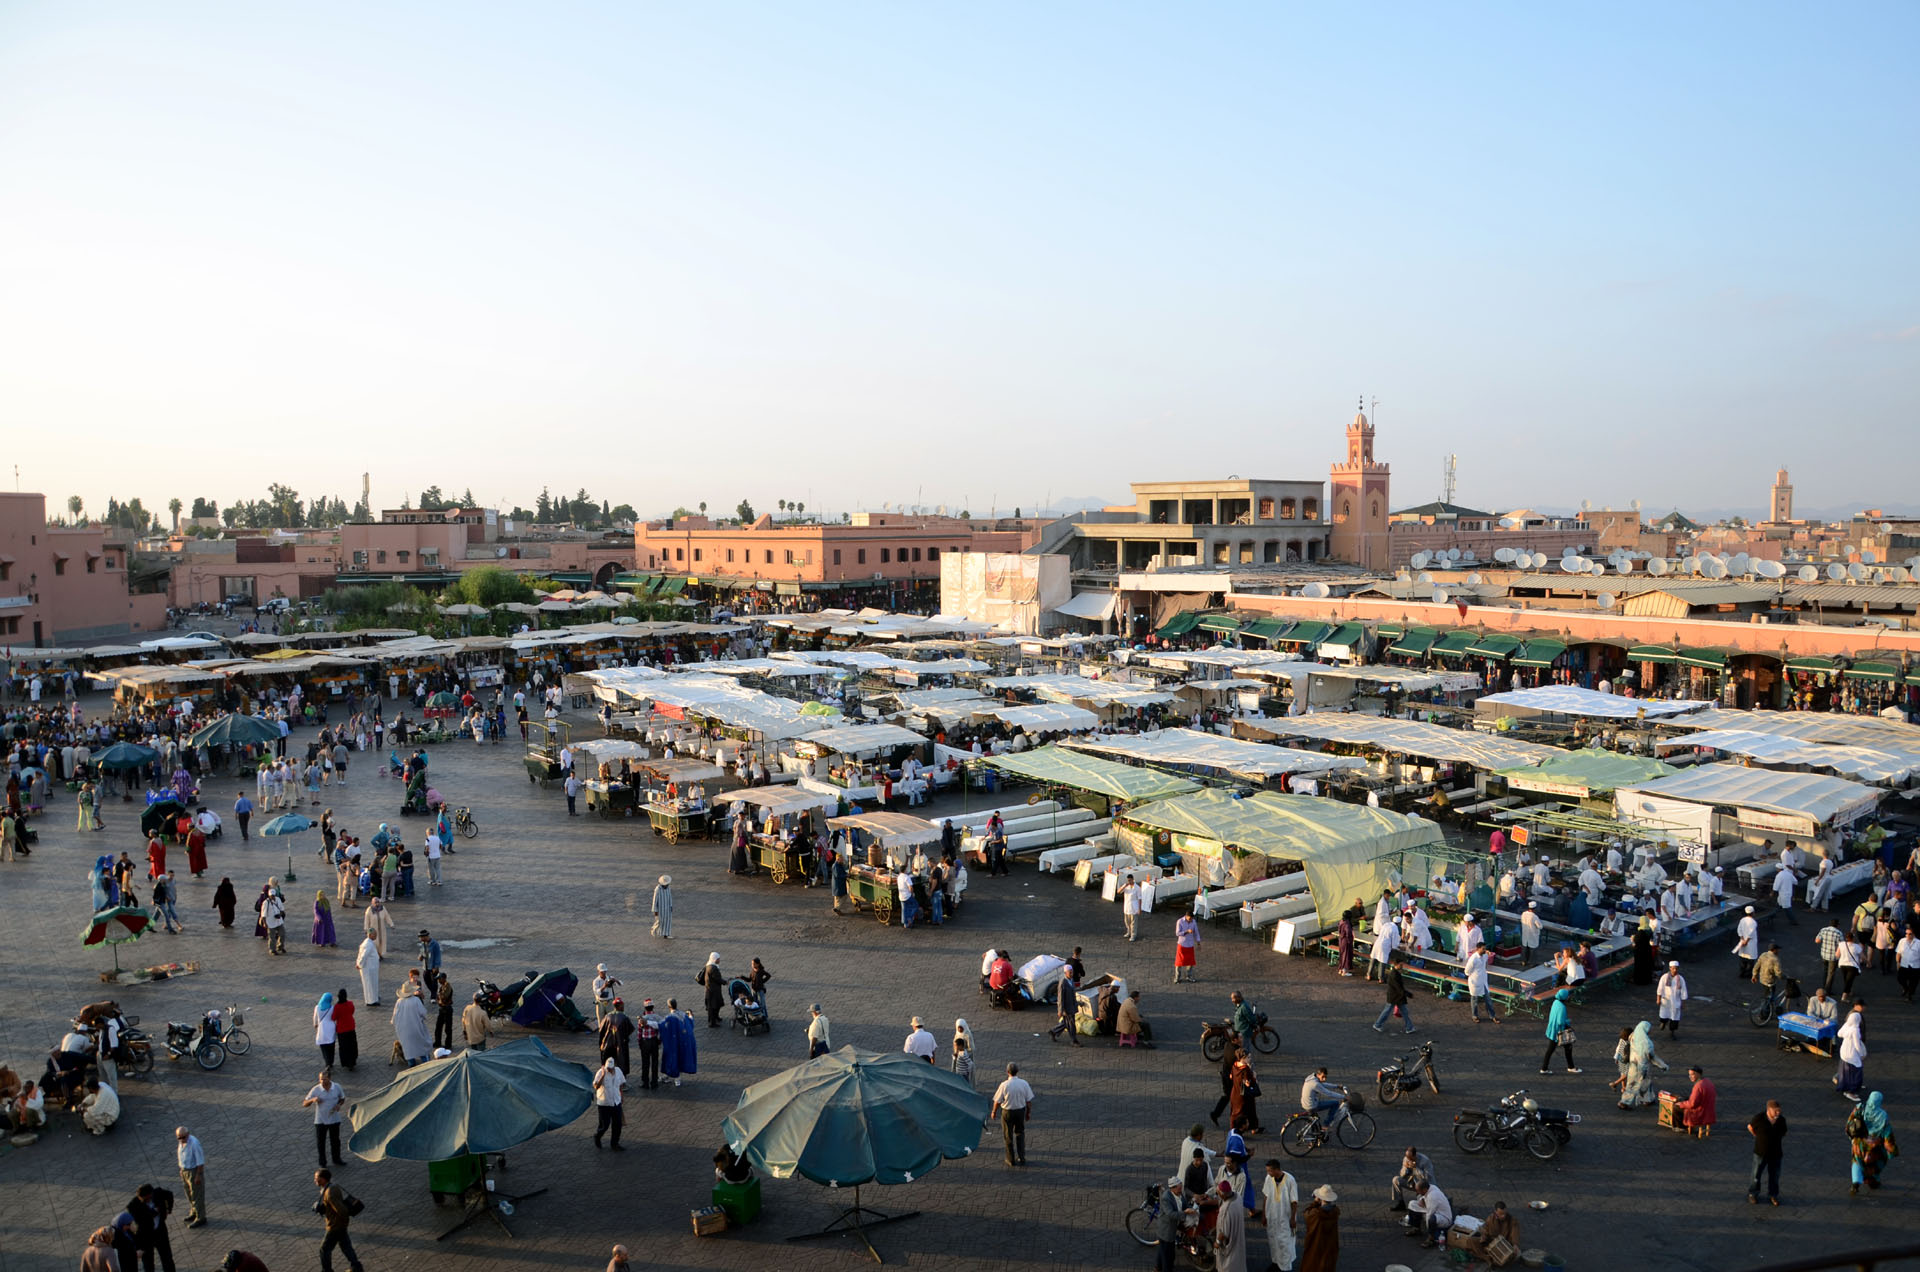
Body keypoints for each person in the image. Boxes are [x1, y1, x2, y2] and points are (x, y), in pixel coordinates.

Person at [1847, 1091, 1897, 1195]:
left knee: (1857, 1160)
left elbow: (1850, 1122)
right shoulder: (1883, 1116)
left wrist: (1852, 1137)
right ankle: (1873, 1182)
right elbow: (1887, 1134)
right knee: (1874, 1165)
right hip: (1874, 1147)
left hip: (1859, 1143)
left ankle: (1856, 1181)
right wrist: (1892, 1150)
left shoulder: (1861, 1107)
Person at [313, 1169, 363, 1272]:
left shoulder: (329, 1192)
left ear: (323, 1179)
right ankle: (356, 1267)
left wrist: (342, 1223)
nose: (315, 1180)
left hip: (335, 1226)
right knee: (346, 1246)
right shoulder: (332, 1187)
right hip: (340, 1225)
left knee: (324, 1249)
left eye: (317, 1178)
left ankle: (327, 1270)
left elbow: (341, 1210)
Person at [990, 1062, 1033, 1166]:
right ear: (1017, 1071)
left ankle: (1010, 1159)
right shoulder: (1024, 1083)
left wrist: (994, 1112)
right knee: (1020, 1133)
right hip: (1020, 1111)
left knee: (1008, 1136)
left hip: (1007, 1112)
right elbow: (1029, 1101)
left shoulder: (1004, 1085)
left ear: (1007, 1072)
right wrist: (1028, 1113)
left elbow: (997, 1101)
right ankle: (1021, 1157)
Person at [1617, 1020, 1667, 1108]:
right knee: (1635, 1085)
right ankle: (1624, 1102)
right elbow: (1652, 1057)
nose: (1650, 1031)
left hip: (1633, 1066)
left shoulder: (1634, 1037)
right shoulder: (1646, 1043)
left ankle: (1648, 1099)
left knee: (1642, 1083)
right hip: (1642, 1067)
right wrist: (1663, 1066)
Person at [1259, 1159, 1298, 1272]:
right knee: (1273, 1240)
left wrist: (1293, 1218)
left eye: (1270, 1171)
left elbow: (1294, 1201)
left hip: (1285, 1218)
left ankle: (1285, 1267)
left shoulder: (1290, 1180)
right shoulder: (1268, 1179)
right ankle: (1276, 1262)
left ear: (1276, 1170)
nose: (1268, 1173)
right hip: (1272, 1216)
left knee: (1285, 1243)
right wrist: (1264, 1214)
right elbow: (1266, 1195)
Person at [1748, 1099, 1789, 1205]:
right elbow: (1750, 1127)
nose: (1778, 1113)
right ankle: (1753, 1193)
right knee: (1756, 1175)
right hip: (1760, 1153)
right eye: (1775, 1111)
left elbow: (1784, 1132)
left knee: (1774, 1176)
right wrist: (1758, 1136)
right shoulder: (1759, 1118)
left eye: (1779, 1111)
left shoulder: (1781, 1120)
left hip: (1776, 1154)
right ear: (1768, 1110)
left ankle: (1773, 1195)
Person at [304, 1070, 347, 1168]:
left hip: (334, 1119)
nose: (322, 1082)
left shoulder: (337, 1087)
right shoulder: (316, 1089)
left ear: (330, 1079)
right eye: (321, 1079)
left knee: (335, 1141)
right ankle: (322, 1162)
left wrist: (338, 1105)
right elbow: (304, 1103)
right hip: (320, 1120)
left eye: (325, 1079)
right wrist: (313, 1100)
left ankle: (337, 1159)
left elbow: (342, 1098)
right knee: (321, 1142)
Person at [1154, 1177, 1195, 1272]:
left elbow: (1184, 1204)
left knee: (1163, 1250)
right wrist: (1185, 1212)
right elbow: (1171, 1214)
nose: (1180, 1190)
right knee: (1168, 1256)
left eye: (1181, 1188)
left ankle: (1157, 1267)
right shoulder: (1166, 1198)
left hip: (1171, 1229)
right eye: (1179, 1188)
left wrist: (1190, 1208)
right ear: (1172, 1188)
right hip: (1166, 1231)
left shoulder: (1180, 1194)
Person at [1299, 1184, 1339, 1272]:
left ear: (1321, 1198)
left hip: (1316, 1244)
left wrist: (1315, 1202)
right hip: (1330, 1244)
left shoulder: (1315, 1214)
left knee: (1312, 1264)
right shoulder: (1335, 1212)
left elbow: (1306, 1214)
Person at [1212, 1178, 1249, 1272]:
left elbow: (1224, 1233)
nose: (1218, 1195)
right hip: (1238, 1235)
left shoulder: (1226, 1209)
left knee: (1228, 1265)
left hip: (1230, 1244)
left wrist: (1217, 1243)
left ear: (1223, 1194)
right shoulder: (1238, 1197)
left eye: (1219, 1193)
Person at [1540, 988, 1581, 1075]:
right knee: (1568, 1049)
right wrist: (1568, 1022)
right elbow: (1561, 1022)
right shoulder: (1562, 1007)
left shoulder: (1555, 1002)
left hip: (1552, 1030)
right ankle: (1571, 1067)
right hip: (1559, 1032)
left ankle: (1544, 1068)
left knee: (1550, 1050)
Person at [1373, 954, 1415, 1034]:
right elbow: (1399, 988)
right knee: (1396, 1012)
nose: (1402, 966)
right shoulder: (1395, 975)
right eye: (1401, 964)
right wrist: (1408, 994)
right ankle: (1378, 1024)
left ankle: (1409, 1027)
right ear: (1397, 965)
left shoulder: (1394, 973)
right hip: (1396, 997)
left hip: (1395, 996)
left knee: (1391, 1011)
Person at [1407, 1178, 1452, 1249]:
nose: (1417, 1192)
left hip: (1443, 1217)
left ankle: (1431, 1239)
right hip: (1433, 1209)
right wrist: (1422, 1199)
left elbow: (1430, 1213)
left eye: (1418, 1191)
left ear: (1424, 1189)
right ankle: (1416, 1228)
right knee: (1412, 1204)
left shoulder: (1433, 1196)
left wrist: (1428, 1229)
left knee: (1432, 1218)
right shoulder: (1431, 1187)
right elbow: (1423, 1198)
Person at [175, 1128, 207, 1227]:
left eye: (183, 1137)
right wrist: (181, 1170)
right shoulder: (181, 1142)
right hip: (185, 1171)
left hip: (194, 1171)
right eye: (179, 1138)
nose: (181, 1139)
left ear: (188, 1134)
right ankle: (194, 1212)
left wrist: (198, 1175)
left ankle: (201, 1217)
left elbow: (200, 1161)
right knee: (189, 1194)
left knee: (197, 1195)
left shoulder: (194, 1144)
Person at [592, 1055, 625, 1150]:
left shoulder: (618, 1071)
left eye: (611, 1068)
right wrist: (602, 1075)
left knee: (617, 1124)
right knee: (604, 1125)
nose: (609, 1070)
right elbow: (596, 1086)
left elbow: (621, 1084)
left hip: (616, 1102)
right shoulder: (600, 1072)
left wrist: (621, 1096)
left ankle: (615, 1144)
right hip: (604, 1104)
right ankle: (598, 1136)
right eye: (608, 1068)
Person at [1389, 1145, 1437, 1210]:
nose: (1409, 1160)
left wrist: (1415, 1168)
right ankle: (1400, 1203)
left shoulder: (1425, 1161)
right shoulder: (1406, 1159)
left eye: (1411, 1158)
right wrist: (1406, 1170)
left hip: (1424, 1186)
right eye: (1407, 1158)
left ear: (1415, 1155)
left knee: (1420, 1205)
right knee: (1395, 1180)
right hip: (1412, 1182)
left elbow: (1427, 1177)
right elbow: (1401, 1174)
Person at [1836, 1002, 1867, 1101]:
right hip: (1852, 1053)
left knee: (1845, 1070)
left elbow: (1839, 1034)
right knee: (1856, 1070)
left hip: (1844, 1051)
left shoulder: (1847, 1025)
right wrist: (1862, 1054)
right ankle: (1851, 1091)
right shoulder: (1855, 1030)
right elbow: (1857, 1044)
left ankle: (1844, 1085)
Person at [1675, 1065, 1717, 1137]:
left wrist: (1682, 1104)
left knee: (1675, 1107)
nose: (1690, 1076)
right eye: (1689, 1075)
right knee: (1684, 1100)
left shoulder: (1698, 1086)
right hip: (1708, 1109)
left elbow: (1692, 1104)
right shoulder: (1708, 1081)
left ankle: (1681, 1127)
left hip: (1700, 1112)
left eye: (1692, 1074)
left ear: (1698, 1074)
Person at [391, 992, 430, 1067]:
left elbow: (394, 1017)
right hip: (415, 1027)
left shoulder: (399, 1001)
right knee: (421, 1045)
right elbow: (423, 1013)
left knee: (408, 1048)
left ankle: (411, 1065)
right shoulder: (415, 1000)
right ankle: (426, 1063)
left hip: (403, 1029)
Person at [1465, 946, 1500, 1024]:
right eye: (1483, 949)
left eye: (1485, 948)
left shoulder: (1484, 956)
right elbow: (1467, 971)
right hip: (1475, 982)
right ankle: (1475, 1016)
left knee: (1488, 1000)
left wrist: (1487, 952)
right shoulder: (1473, 959)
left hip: (1483, 982)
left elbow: (1488, 956)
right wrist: (1475, 976)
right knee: (1474, 1000)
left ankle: (1492, 1016)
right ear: (1478, 949)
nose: (1484, 950)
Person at [1656, 961, 1689, 1037]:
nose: (1675, 970)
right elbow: (1660, 989)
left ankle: (1672, 1031)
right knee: (1664, 1015)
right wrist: (1658, 999)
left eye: (1676, 968)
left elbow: (1684, 991)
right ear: (1670, 968)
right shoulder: (1664, 977)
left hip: (1676, 1001)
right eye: (1673, 968)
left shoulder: (1680, 979)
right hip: (1666, 1001)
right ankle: (1663, 1023)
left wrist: (1683, 1003)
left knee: (1674, 1018)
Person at [1048, 971, 1081, 1046]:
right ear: (1065, 973)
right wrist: (1060, 1010)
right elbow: (1060, 998)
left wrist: (1077, 1003)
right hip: (1067, 1008)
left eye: (1072, 972)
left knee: (1066, 1022)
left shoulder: (1071, 980)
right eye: (1070, 973)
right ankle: (1074, 1040)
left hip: (1072, 1006)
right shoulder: (1063, 983)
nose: (1072, 974)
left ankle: (1053, 1031)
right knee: (1071, 1024)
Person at [635, 999, 662, 1088]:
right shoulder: (657, 1017)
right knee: (654, 1062)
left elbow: (639, 1032)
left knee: (645, 1063)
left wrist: (639, 1042)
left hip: (645, 1042)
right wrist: (659, 1040)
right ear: (653, 1007)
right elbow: (660, 1030)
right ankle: (654, 1081)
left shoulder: (642, 1018)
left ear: (645, 1008)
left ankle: (645, 1082)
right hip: (654, 1041)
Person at [333, 989, 359, 1071]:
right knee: (352, 1045)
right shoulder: (350, 1004)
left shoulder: (337, 1007)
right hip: (351, 1027)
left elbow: (333, 1017)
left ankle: (346, 1062)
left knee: (344, 1047)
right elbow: (352, 1011)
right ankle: (353, 1060)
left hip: (341, 1030)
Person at [1734, 905, 1760, 979]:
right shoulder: (1753, 922)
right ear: (1753, 913)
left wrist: (1742, 939)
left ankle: (1741, 973)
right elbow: (1751, 933)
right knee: (1750, 960)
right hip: (1750, 943)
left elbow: (1739, 930)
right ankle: (1748, 974)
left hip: (1742, 941)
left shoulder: (1742, 920)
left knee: (1742, 958)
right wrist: (1746, 941)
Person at [314, 993, 338, 1069]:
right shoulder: (332, 1008)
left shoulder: (317, 1007)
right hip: (331, 1029)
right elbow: (335, 1018)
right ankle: (330, 1061)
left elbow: (315, 1019)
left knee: (323, 1047)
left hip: (321, 1029)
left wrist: (316, 1025)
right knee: (331, 1047)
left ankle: (327, 1061)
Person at [355, 935, 381, 1007]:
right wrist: (359, 964)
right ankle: (371, 1001)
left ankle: (374, 997)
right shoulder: (368, 944)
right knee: (369, 984)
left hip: (371, 968)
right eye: (375, 935)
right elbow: (363, 956)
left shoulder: (368, 942)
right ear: (371, 935)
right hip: (369, 968)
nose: (376, 936)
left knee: (372, 984)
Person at [1174, 913, 1200, 983]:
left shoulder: (1193, 922)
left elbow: (1196, 932)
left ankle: (1189, 976)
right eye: (1189, 919)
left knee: (1190, 962)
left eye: (1191, 919)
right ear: (1186, 916)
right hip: (1182, 944)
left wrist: (1198, 942)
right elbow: (1177, 933)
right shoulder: (1180, 921)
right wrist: (1186, 932)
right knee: (1179, 962)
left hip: (1190, 944)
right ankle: (1177, 978)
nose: (1190, 920)